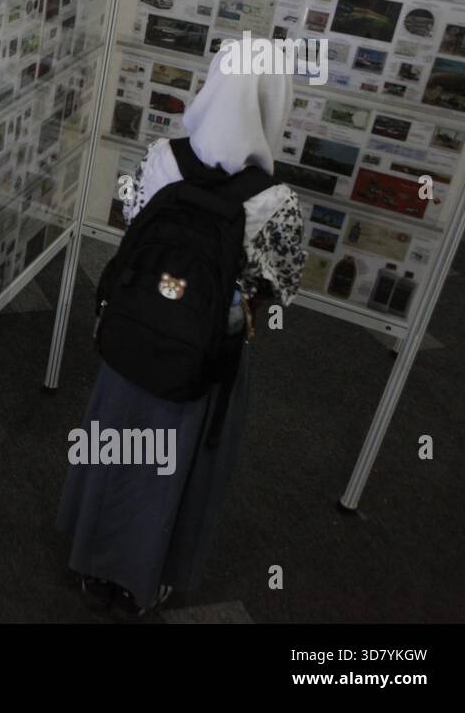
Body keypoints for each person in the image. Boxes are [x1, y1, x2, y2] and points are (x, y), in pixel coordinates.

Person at [57, 48, 308, 619]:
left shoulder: (160, 158)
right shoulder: (276, 201)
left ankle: (87, 558)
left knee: (111, 445)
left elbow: (129, 224)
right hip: (203, 365)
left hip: (129, 345)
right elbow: (279, 288)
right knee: (175, 469)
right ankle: (145, 577)